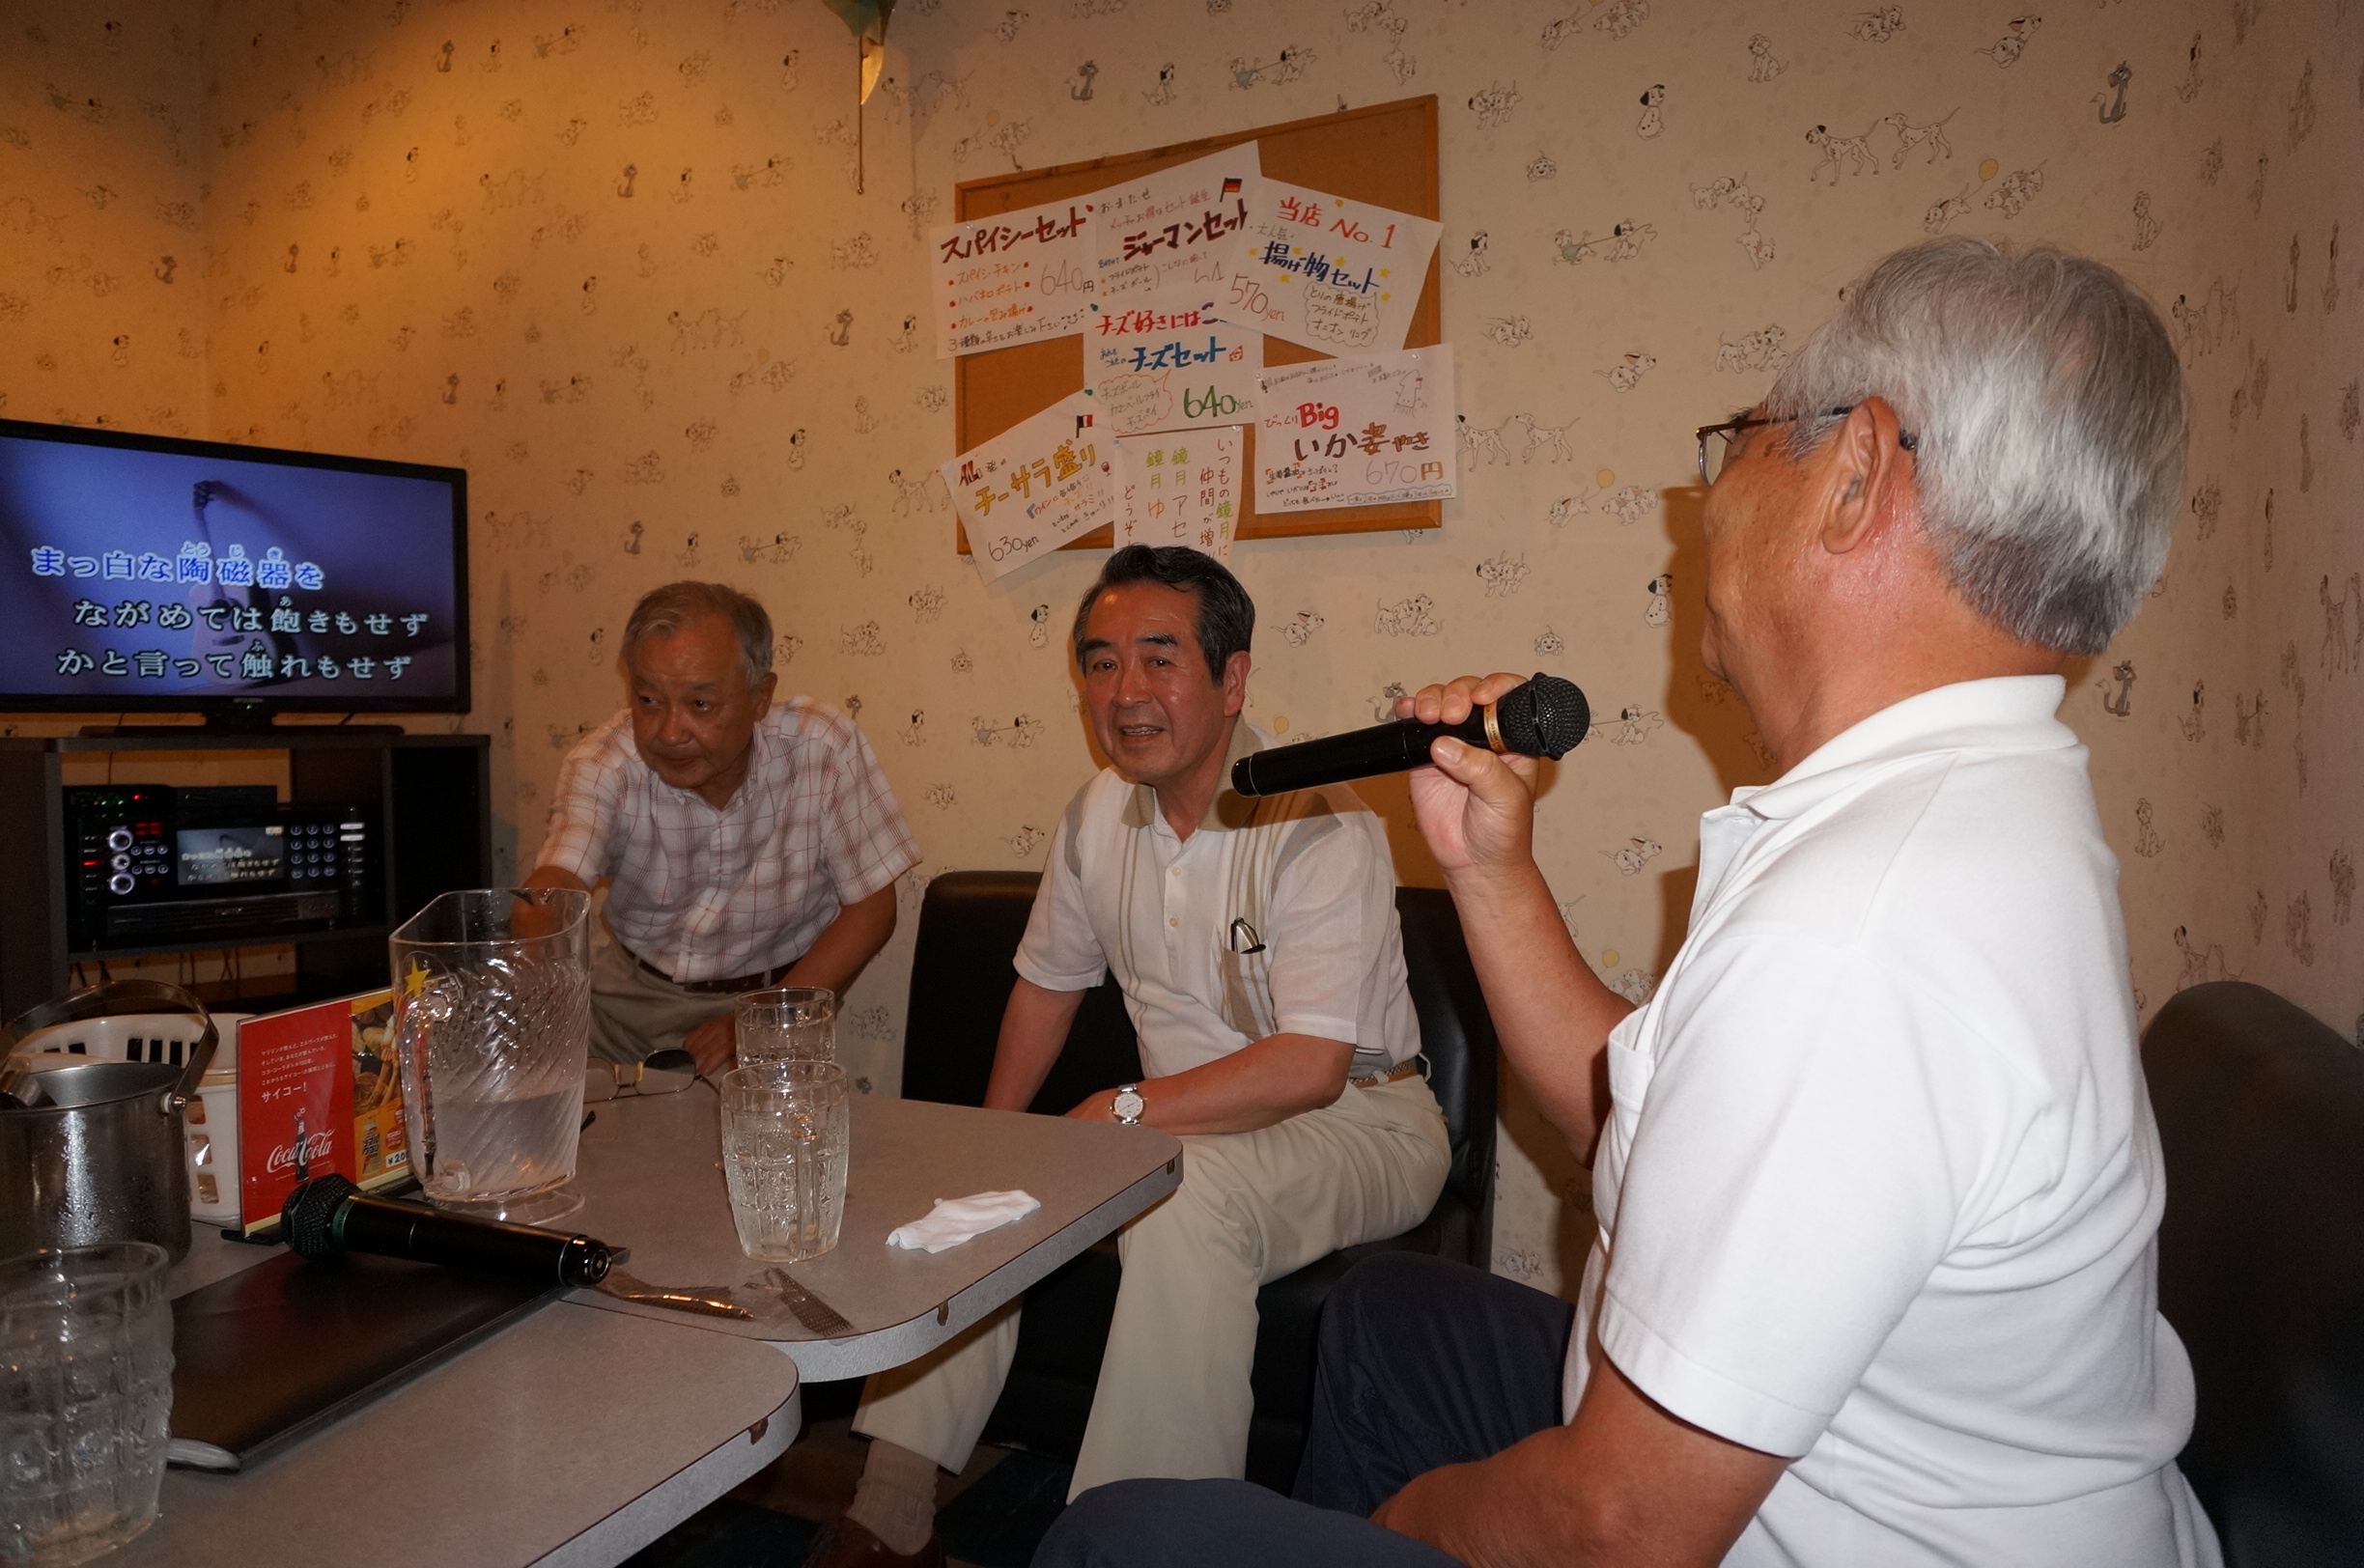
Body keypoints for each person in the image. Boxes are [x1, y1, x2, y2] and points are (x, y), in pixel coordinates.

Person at [1040, 240, 2223, 1567]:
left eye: (1746, 438)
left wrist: (1411, 1526)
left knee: (1121, 1538)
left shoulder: (1856, 933)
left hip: (1798, 1535)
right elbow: (1631, 1121)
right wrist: (1489, 866)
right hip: (1816, 1465)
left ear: (1854, 474)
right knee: (1388, 1322)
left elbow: (1618, 1526)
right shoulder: (1956, 807)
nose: (1713, 490)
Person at [813, 546, 1449, 1568]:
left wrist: (1122, 1108)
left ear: (1232, 679)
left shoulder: (1318, 821)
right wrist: (994, 1142)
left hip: (1360, 1124)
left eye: (1160, 658)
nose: (1126, 692)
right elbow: (1046, 985)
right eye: (1102, 663)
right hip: (1172, 1124)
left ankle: (1142, 1545)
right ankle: (890, 1516)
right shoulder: (1098, 813)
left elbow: (1310, 1068)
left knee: (1181, 1196)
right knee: (998, 1180)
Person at [527, 580, 917, 1073]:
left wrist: (766, 1019)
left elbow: (872, 908)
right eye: (648, 700)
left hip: (779, 995)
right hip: (630, 1003)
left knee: (761, 1121)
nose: (670, 732)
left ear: (760, 697)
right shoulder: (604, 763)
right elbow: (560, 878)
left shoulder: (822, 748)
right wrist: (528, 945)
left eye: (700, 705)